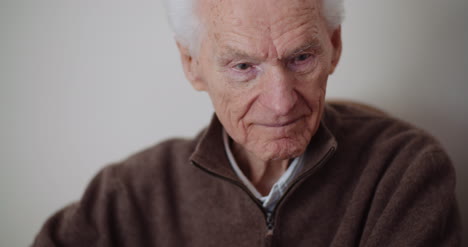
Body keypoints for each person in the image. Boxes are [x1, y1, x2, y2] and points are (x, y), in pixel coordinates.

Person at [32, 0, 461, 246]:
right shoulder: (127, 196)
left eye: (301, 58)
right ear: (192, 65)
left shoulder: (404, 171)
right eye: (242, 66)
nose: (280, 104)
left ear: (334, 46)